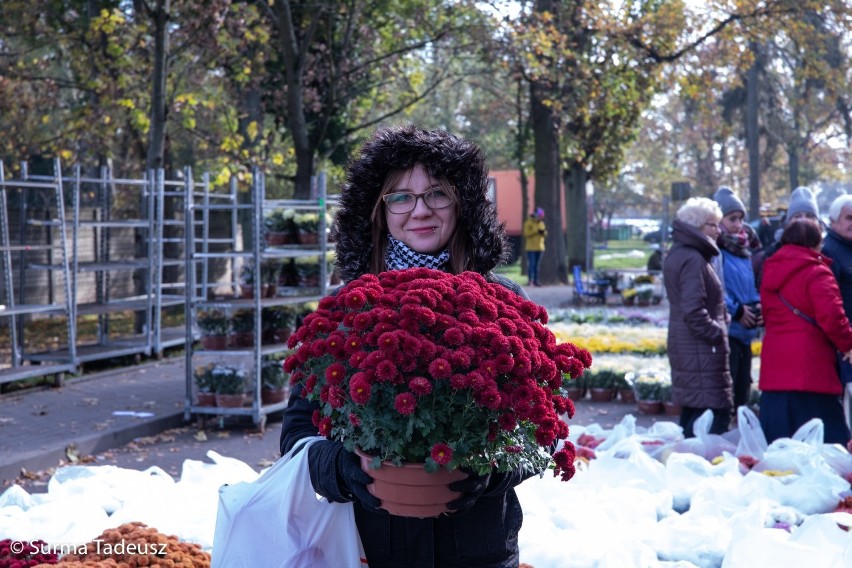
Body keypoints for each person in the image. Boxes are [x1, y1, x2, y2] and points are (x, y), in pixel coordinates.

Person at [280, 124, 533, 568]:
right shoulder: (345, 308)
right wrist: (342, 470)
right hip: (374, 548)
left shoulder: (505, 303)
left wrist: (493, 470)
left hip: (479, 550)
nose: (419, 210)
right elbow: (297, 435)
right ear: (378, 211)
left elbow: (542, 425)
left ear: (463, 204)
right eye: (400, 196)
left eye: (437, 193)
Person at [758, 218, 852, 446]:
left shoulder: (770, 269)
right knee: (828, 445)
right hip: (811, 368)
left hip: (775, 368)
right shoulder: (817, 272)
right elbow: (832, 317)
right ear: (816, 242)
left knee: (779, 449)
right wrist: (848, 344)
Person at [663, 197, 733, 438]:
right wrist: (718, 331)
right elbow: (693, 310)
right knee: (714, 417)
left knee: (694, 414)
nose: (718, 230)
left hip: (691, 346)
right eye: (713, 225)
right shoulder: (693, 258)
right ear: (698, 226)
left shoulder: (684, 253)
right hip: (701, 348)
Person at [712, 187, 763, 412]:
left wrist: (757, 305)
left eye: (741, 218)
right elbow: (716, 290)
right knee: (727, 393)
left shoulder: (744, 251)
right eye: (732, 218)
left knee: (743, 390)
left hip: (746, 332)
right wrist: (738, 311)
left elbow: (750, 286)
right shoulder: (716, 251)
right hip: (729, 330)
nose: (738, 224)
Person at [522, 207, 547, 286]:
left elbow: (545, 233)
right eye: (539, 216)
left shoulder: (541, 223)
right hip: (531, 247)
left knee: (537, 266)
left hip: (540, 247)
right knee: (531, 264)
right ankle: (530, 280)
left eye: (541, 216)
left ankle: (536, 280)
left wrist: (543, 233)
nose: (540, 217)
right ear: (536, 214)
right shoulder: (529, 222)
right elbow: (526, 233)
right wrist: (535, 231)